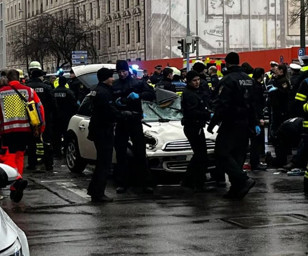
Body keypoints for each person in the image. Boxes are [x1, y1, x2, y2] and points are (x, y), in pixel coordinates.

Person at [207, 52, 257, 199]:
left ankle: (243, 180)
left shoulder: (228, 80)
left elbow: (222, 104)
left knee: (221, 154)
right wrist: (254, 123)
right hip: (245, 123)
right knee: (237, 157)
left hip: (230, 123)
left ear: (227, 63)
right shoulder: (249, 80)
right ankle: (236, 190)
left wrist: (213, 123)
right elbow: (254, 104)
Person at [0, 69, 45, 202]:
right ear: (19, 78)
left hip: (7, 130)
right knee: (19, 156)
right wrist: (40, 128)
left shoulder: (1, 93)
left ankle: (17, 179)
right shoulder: (29, 91)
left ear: (8, 79)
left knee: (8, 156)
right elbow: (40, 109)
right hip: (25, 130)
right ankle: (15, 186)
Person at [112, 60, 155, 194]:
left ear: (128, 71)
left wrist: (139, 96)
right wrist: (116, 102)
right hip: (121, 121)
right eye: (119, 72)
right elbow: (110, 100)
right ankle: (122, 183)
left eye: (124, 71)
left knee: (140, 152)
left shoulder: (137, 83)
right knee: (121, 153)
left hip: (135, 119)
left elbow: (151, 95)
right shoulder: (115, 84)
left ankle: (145, 183)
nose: (122, 74)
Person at [87, 68, 119, 203]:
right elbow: (109, 111)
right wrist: (124, 115)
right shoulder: (104, 92)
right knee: (104, 163)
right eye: (112, 77)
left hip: (96, 128)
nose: (113, 79)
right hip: (103, 130)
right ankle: (98, 193)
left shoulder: (95, 89)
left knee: (101, 161)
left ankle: (94, 189)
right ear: (106, 78)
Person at [180, 70, 212, 192]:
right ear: (188, 81)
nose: (197, 82)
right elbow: (192, 112)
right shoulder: (189, 94)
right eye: (194, 80)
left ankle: (192, 180)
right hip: (193, 126)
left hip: (197, 126)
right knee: (200, 155)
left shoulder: (195, 92)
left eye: (198, 79)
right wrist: (207, 115)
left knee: (200, 154)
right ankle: (194, 181)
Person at [27, 69, 56, 171]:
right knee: (46, 141)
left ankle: (32, 163)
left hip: (30, 119)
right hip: (45, 118)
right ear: (40, 77)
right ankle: (48, 164)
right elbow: (53, 104)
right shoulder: (47, 87)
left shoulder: (27, 87)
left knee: (32, 142)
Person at [53, 76, 78, 157]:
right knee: (66, 135)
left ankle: (57, 153)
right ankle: (65, 151)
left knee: (56, 136)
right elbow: (74, 105)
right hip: (67, 117)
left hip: (56, 117)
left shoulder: (53, 92)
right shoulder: (69, 92)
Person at [268, 64, 291, 147]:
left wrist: (276, 90)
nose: (275, 71)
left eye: (277, 70)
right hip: (276, 107)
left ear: (281, 71)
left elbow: (284, 94)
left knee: (280, 126)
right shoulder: (277, 80)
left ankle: (282, 144)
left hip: (281, 109)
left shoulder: (283, 81)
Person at [249, 68, 267, 171]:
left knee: (255, 141)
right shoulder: (256, 87)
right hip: (256, 117)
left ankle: (255, 162)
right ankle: (255, 163)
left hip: (254, 116)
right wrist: (259, 119)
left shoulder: (253, 84)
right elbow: (256, 105)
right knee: (256, 141)